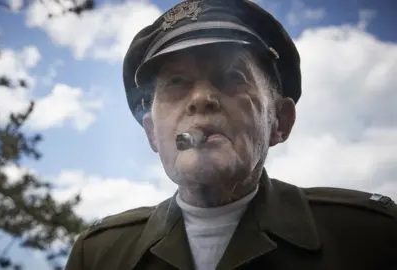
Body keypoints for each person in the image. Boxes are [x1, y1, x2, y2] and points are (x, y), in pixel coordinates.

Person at [65, 0, 397, 269]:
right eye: (176, 83)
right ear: (153, 133)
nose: (200, 99)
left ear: (279, 121)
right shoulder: (99, 256)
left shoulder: (372, 236)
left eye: (231, 76)